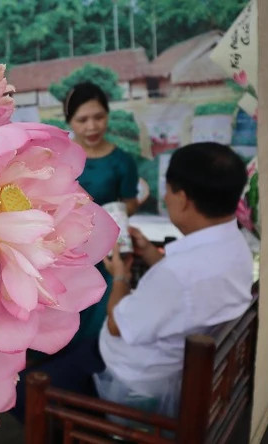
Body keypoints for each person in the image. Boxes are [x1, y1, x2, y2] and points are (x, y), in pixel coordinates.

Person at [97, 142, 253, 418]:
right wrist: (147, 252)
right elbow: (191, 294)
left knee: (30, 384)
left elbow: (115, 324)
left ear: (182, 199)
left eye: (168, 190)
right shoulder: (236, 246)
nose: (166, 198)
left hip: (136, 385)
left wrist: (119, 276)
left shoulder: (177, 274)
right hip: (185, 370)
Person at [64, 82, 140, 343]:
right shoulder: (61, 156)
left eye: (99, 117)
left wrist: (112, 211)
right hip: (64, 245)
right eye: (82, 119)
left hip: (106, 247)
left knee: (97, 314)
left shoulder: (123, 161)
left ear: (108, 115)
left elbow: (130, 202)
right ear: (70, 121)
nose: (92, 126)